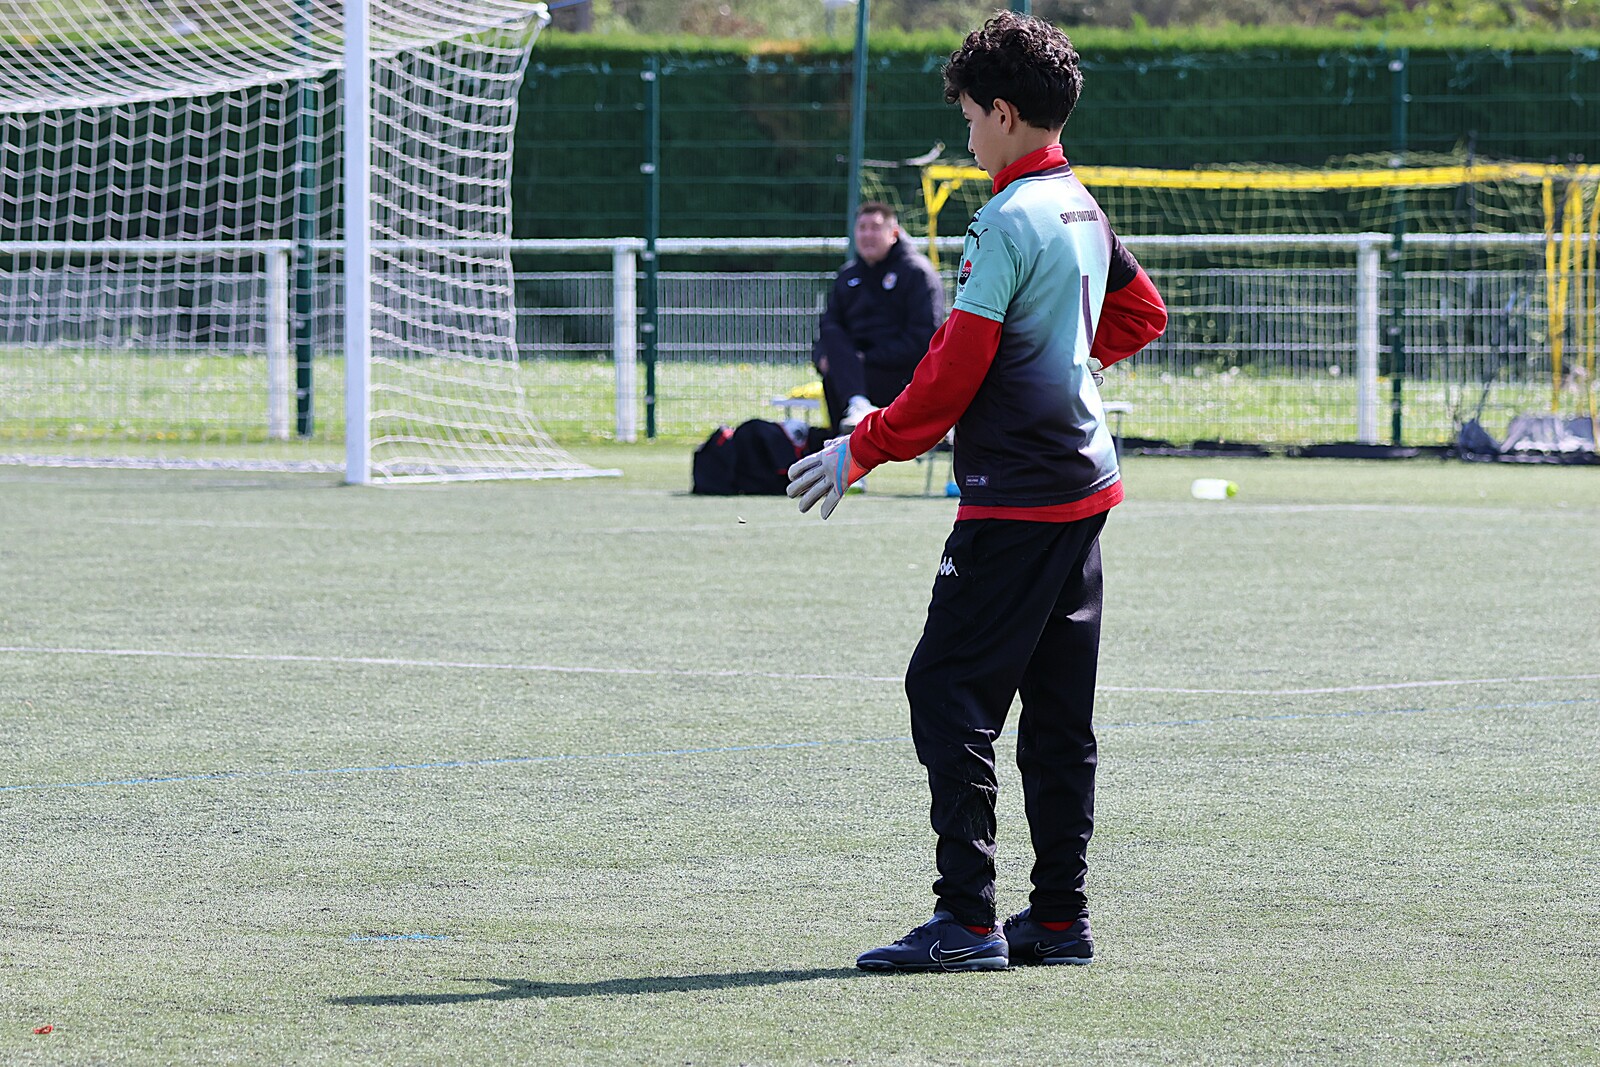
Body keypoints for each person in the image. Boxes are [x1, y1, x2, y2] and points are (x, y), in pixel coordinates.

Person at [787, 12, 1168, 972]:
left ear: (1002, 113)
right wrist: (1065, 363)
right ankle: (1060, 917)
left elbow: (952, 372)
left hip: (1016, 498)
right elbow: (1142, 311)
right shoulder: (1079, 204)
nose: (964, 136)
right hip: (1084, 487)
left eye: (967, 117)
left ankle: (965, 918)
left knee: (945, 687)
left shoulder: (1005, 219)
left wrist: (861, 448)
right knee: (1058, 710)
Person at [812, 201, 945, 431]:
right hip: (850, 374)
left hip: (899, 375)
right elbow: (829, 327)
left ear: (894, 234)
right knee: (832, 335)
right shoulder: (848, 276)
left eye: (875, 228)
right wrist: (821, 357)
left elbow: (924, 337)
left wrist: (867, 357)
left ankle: (858, 407)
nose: (867, 235)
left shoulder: (916, 273)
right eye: (862, 228)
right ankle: (856, 405)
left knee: (846, 372)